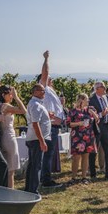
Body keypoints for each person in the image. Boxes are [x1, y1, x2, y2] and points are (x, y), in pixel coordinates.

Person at [39, 51, 65, 187]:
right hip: (50, 126)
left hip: (55, 126)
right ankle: (45, 180)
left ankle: (46, 177)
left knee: (50, 154)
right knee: (48, 154)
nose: (51, 79)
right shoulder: (43, 87)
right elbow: (45, 73)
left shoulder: (50, 90)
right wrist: (46, 59)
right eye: (49, 78)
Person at [0, 86, 27, 189]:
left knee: (6, 167)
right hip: (9, 137)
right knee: (11, 170)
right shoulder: (6, 106)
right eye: (10, 94)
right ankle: (11, 191)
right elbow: (23, 111)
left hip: (2, 136)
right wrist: (17, 98)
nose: (12, 96)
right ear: (3, 95)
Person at [25, 84, 51, 194]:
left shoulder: (37, 103)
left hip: (35, 138)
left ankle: (29, 188)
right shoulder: (35, 104)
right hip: (36, 139)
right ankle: (33, 190)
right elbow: (35, 124)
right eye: (42, 91)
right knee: (36, 165)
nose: (44, 93)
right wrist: (42, 141)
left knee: (33, 165)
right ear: (35, 91)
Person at [67, 94, 98, 184]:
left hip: (88, 136)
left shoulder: (89, 111)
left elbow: (97, 119)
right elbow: (68, 123)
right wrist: (79, 123)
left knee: (86, 156)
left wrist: (93, 113)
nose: (88, 102)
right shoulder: (73, 111)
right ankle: (73, 177)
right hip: (77, 136)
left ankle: (84, 177)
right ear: (81, 100)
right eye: (86, 100)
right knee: (76, 157)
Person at [89, 81, 108, 180]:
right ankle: (93, 174)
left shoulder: (105, 98)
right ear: (97, 88)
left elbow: (106, 112)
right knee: (93, 152)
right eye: (103, 86)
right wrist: (100, 115)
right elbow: (90, 115)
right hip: (96, 128)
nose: (105, 88)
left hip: (106, 127)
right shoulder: (91, 100)